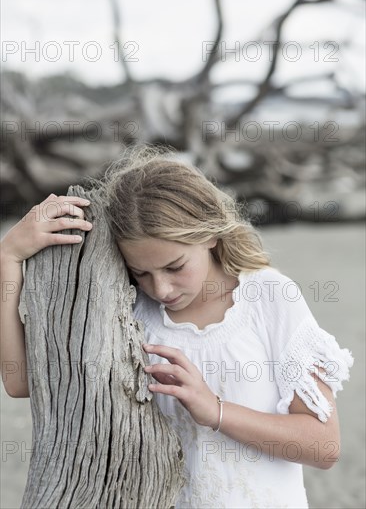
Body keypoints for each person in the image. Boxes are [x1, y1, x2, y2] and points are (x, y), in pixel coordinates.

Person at [0, 144, 354, 508]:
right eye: (141, 273)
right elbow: (22, 380)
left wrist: (214, 410)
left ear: (211, 234)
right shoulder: (127, 307)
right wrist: (8, 258)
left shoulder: (269, 298)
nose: (161, 289)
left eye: (175, 266)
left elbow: (323, 445)